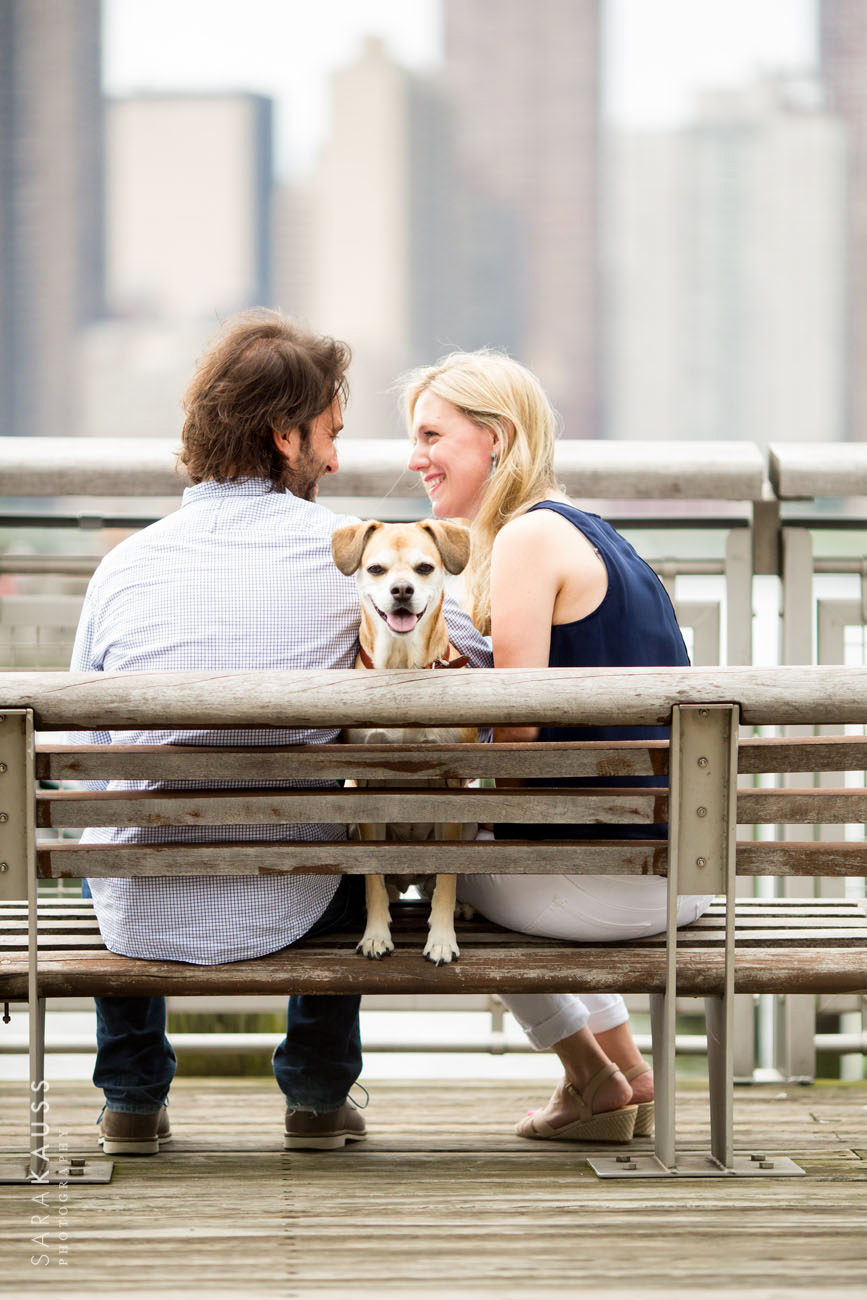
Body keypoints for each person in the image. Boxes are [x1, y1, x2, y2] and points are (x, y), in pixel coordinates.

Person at [72, 310, 491, 1157]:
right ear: (284, 436)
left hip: (138, 903)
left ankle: (130, 1095)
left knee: (110, 820)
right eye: (330, 436)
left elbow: (89, 762)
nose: (336, 459)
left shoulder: (124, 567)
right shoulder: (343, 560)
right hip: (291, 898)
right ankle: (316, 1095)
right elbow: (470, 658)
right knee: (344, 838)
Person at [403, 349, 714, 1144]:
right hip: (679, 874)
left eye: (433, 434)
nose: (417, 459)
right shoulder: (596, 534)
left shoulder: (524, 541)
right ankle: (628, 1071)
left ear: (497, 437)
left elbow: (517, 730)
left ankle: (587, 1077)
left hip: (613, 889)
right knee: (483, 855)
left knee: (425, 873)